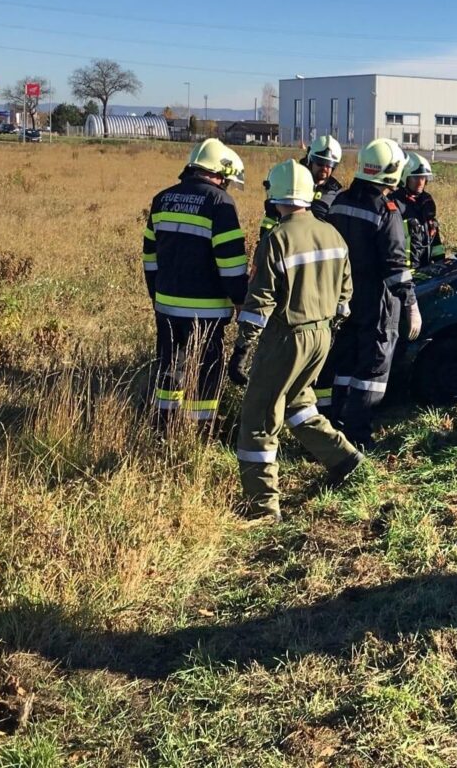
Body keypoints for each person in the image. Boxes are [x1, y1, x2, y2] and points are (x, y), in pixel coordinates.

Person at [228, 160, 362, 523]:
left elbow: (260, 303)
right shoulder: (332, 234)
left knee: (259, 418)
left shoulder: (277, 239)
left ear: (276, 196)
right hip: (322, 336)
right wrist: (327, 325)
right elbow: (345, 296)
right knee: (299, 404)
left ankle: (261, 507)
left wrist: (243, 348)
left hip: (287, 338)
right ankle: (345, 459)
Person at [142, 138, 248, 431]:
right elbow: (231, 262)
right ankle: (201, 432)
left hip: (166, 306)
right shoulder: (220, 203)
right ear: (221, 173)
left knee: (169, 368)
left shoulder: (162, 199)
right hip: (207, 311)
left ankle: (163, 426)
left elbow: (149, 257)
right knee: (206, 371)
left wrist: (157, 296)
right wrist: (241, 300)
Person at [325, 138, 421, 447]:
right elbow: (395, 265)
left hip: (343, 297)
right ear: (392, 171)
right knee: (372, 370)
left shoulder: (339, 201)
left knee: (344, 364)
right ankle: (359, 437)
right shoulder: (386, 210)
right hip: (378, 303)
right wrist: (411, 304)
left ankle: (334, 427)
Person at [260, 134, 343, 239]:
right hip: (287, 241)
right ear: (310, 160)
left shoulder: (336, 194)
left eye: (329, 165)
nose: (324, 168)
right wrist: (265, 239)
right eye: (320, 163)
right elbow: (270, 218)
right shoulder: (291, 180)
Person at [392, 152, 446, 271]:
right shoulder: (394, 202)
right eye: (416, 177)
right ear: (405, 177)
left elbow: (435, 237)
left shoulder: (427, 201)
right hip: (402, 271)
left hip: (425, 268)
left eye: (423, 178)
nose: (420, 182)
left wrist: (440, 262)